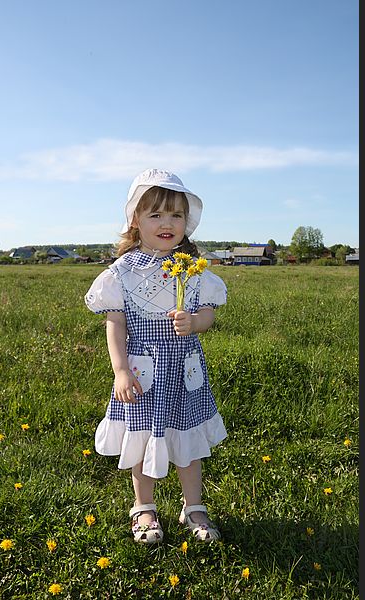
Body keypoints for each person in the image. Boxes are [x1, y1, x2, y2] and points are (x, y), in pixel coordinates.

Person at [85, 168, 227, 544]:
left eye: (176, 215)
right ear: (136, 220)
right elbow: (114, 324)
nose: (168, 223)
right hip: (143, 374)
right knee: (141, 439)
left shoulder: (192, 269)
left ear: (186, 222)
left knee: (188, 442)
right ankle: (143, 507)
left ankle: (193, 506)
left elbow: (209, 312)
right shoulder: (121, 273)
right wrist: (119, 371)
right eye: (156, 215)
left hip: (183, 373)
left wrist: (195, 323)